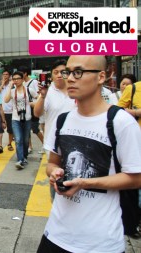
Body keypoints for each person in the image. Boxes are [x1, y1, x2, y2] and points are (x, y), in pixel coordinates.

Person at [37, 55, 141, 253]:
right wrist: (54, 172)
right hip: (56, 233)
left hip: (100, 242)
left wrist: (85, 183)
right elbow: (51, 163)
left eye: (78, 72)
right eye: (68, 72)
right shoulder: (62, 120)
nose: (70, 78)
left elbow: (136, 178)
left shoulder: (120, 122)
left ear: (101, 77)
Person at [33, 59, 76, 157]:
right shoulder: (47, 92)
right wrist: (43, 96)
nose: (59, 75)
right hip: (53, 142)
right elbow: (37, 113)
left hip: (75, 140)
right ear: (51, 75)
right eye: (55, 72)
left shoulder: (76, 89)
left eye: (63, 72)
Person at [4, 71, 33, 169]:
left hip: (27, 118)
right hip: (15, 119)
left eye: (17, 78)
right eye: (14, 79)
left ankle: (24, 156)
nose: (16, 81)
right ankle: (20, 160)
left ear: (22, 79)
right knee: (18, 140)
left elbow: (37, 98)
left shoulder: (29, 90)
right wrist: (9, 87)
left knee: (25, 140)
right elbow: (6, 100)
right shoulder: (12, 91)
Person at [0, 69, 15, 152]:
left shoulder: (12, 85)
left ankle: (9, 143)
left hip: (11, 110)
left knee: (10, 129)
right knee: (0, 128)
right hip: (1, 110)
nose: (5, 76)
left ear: (10, 76)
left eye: (7, 74)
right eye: (3, 74)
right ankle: (0, 145)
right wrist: (2, 84)